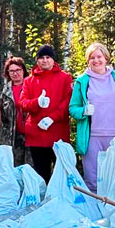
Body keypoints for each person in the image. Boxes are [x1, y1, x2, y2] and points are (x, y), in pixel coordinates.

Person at [69, 43, 115, 191]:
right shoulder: (83, 81)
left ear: (106, 58)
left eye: (99, 56)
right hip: (92, 138)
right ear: (88, 61)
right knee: (93, 179)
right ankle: (94, 212)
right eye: (92, 58)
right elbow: (72, 109)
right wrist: (83, 111)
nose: (96, 60)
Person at [19, 46, 73, 182]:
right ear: (37, 61)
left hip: (58, 133)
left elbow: (67, 102)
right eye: (41, 58)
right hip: (36, 135)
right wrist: (37, 102)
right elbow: (23, 103)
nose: (44, 61)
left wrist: (52, 118)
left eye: (48, 57)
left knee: (61, 174)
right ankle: (44, 200)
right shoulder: (29, 81)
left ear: (53, 60)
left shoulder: (65, 78)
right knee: (41, 174)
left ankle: (61, 201)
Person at [0, 56, 31, 166]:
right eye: (12, 71)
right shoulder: (5, 92)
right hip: (12, 137)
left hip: (31, 135)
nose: (15, 73)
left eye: (18, 70)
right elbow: (1, 115)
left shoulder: (31, 86)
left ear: (23, 70)